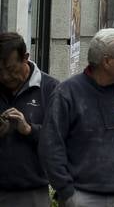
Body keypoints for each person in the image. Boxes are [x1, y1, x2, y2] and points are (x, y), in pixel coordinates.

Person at [40, 28, 114, 207]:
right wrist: (67, 192)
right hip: (82, 197)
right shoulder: (67, 93)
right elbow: (50, 146)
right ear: (106, 61)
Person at [0, 32, 58, 207]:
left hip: (31, 192)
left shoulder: (50, 88)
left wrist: (29, 130)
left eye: (11, 69)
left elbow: (60, 139)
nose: (5, 77)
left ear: (25, 58)